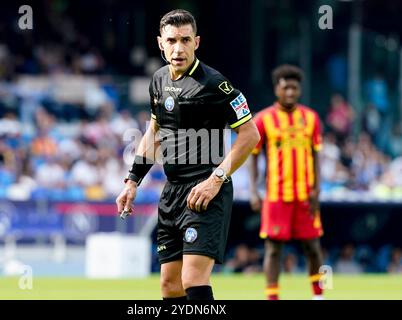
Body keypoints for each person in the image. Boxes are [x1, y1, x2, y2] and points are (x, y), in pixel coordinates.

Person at [116, 9, 260, 301]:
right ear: (160, 43)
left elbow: (250, 135)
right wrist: (132, 182)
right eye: (171, 40)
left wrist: (216, 179)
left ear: (197, 42)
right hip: (172, 193)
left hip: (206, 191)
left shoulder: (215, 84)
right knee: (170, 286)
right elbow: (154, 132)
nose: (178, 48)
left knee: (193, 279)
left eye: (185, 40)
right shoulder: (157, 80)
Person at [249, 65, 324, 300]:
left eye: (295, 87)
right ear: (277, 89)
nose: (291, 92)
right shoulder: (262, 120)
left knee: (313, 248)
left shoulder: (311, 119)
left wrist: (317, 188)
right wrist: (253, 191)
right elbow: (253, 157)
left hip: (305, 195)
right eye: (286, 87)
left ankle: (318, 296)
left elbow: (316, 155)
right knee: (273, 250)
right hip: (276, 195)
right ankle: (273, 298)